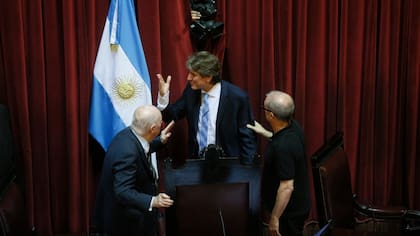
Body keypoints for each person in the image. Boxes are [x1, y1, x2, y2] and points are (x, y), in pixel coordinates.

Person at [156, 51, 257, 164]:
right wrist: (163, 97)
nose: (188, 78)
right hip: (197, 164)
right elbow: (171, 116)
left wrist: (247, 170)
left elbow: (247, 136)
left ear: (208, 77)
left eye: (193, 74)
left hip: (228, 165)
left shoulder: (237, 97)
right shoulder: (191, 92)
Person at [93, 105, 175, 236]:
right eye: (160, 124)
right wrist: (153, 201)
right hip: (127, 225)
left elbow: (142, 148)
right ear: (153, 129)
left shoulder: (129, 135)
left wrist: (160, 140)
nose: (162, 125)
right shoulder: (127, 152)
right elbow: (123, 191)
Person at [247, 91, 310, 236]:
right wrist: (265, 132)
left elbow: (287, 187)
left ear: (271, 115)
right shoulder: (294, 127)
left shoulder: (282, 147)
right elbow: (283, 142)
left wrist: (275, 218)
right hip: (298, 206)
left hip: (288, 213)